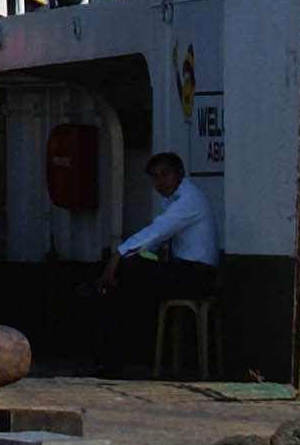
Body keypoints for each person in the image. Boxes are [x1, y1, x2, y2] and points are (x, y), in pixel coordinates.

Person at [90, 151, 218, 374]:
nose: (160, 182)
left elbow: (157, 232)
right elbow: (157, 240)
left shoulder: (188, 200)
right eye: (155, 177)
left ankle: (108, 361)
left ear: (180, 174)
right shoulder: (175, 200)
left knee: (124, 274)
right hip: (186, 270)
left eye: (165, 175)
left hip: (196, 275)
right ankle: (108, 360)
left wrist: (118, 256)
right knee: (123, 285)